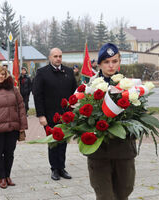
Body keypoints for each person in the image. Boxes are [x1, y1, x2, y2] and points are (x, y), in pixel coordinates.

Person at [88, 43, 137, 200]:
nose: (111, 65)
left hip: (124, 150)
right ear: (100, 64)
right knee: (105, 195)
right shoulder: (90, 86)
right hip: (100, 151)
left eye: (114, 61)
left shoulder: (129, 86)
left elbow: (138, 114)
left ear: (119, 62)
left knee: (124, 192)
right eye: (106, 62)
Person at [33, 48, 77, 181]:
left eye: (60, 56)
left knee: (63, 142)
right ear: (50, 57)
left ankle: (62, 168)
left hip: (66, 115)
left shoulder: (69, 72)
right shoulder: (42, 73)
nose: (58, 59)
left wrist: (74, 111)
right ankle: (54, 169)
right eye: (55, 56)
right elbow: (37, 95)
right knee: (53, 142)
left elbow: (74, 93)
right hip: (49, 115)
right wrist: (41, 115)